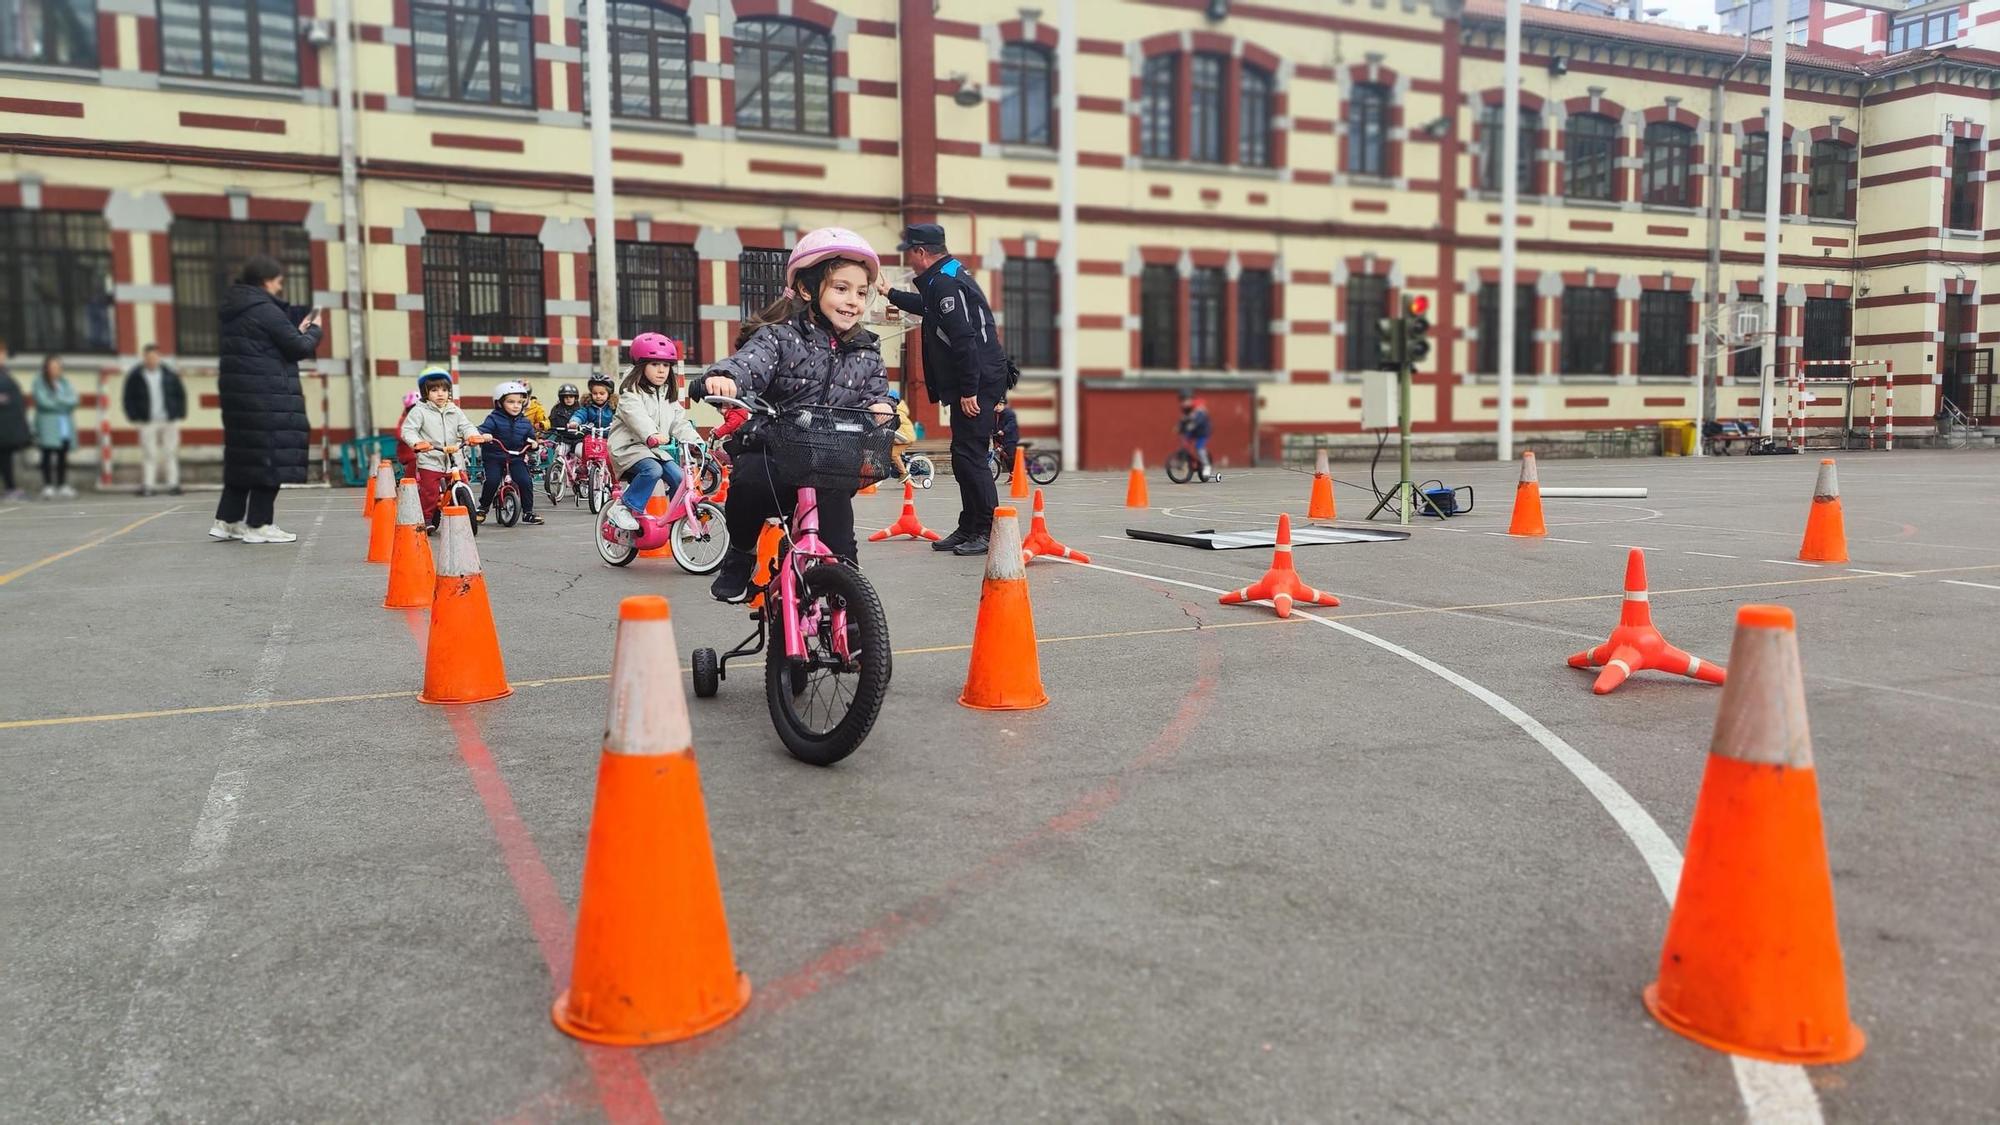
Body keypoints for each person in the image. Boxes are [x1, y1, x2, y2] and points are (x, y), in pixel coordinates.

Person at [696, 226, 895, 602]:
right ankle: (739, 554)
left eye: (861, 292)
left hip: (829, 461)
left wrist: (881, 407)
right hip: (772, 450)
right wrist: (724, 378)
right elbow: (748, 364)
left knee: (841, 547)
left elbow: (876, 393)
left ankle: (850, 613)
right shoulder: (780, 336)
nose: (853, 300)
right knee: (748, 483)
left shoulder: (867, 349)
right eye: (841, 288)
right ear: (807, 289)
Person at [880, 222, 1010, 556]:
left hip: (977, 380)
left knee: (972, 456)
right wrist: (890, 293)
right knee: (962, 455)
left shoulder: (947, 284)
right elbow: (927, 308)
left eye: (910, 253)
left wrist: (969, 390)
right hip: (976, 378)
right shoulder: (942, 278)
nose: (909, 260)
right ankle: (969, 526)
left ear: (921, 252)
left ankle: (987, 530)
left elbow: (964, 338)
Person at [212, 255, 321, 543]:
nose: (279, 287)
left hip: (239, 396)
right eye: (278, 282)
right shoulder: (264, 310)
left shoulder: (235, 308)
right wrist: (315, 328)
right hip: (266, 395)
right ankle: (259, 525)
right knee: (269, 457)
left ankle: (228, 520)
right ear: (266, 281)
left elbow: (266, 344)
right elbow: (297, 346)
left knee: (243, 457)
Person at [608, 333, 700, 531]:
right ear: (641, 366)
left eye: (666, 365)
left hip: (654, 449)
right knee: (653, 470)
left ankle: (680, 521)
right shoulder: (630, 393)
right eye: (655, 364)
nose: (661, 370)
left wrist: (696, 442)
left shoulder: (667, 393)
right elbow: (637, 417)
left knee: (680, 477)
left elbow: (678, 423)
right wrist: (651, 435)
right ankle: (622, 508)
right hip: (628, 448)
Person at [400, 366, 482, 529]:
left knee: (463, 483)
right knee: (429, 492)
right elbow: (408, 430)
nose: (440, 393)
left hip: (454, 458)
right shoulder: (419, 411)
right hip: (431, 458)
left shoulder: (454, 410)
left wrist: (472, 435)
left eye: (444, 390)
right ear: (426, 392)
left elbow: (465, 426)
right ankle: (428, 518)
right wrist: (417, 443)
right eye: (435, 390)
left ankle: (462, 512)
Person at [122, 343, 187, 496]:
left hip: (168, 419)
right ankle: (148, 486)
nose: (152, 360)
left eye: (155, 357)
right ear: (144, 358)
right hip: (147, 420)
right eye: (148, 357)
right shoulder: (136, 375)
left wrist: (180, 412)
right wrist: (133, 415)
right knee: (149, 453)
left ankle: (173, 484)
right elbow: (128, 397)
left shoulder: (170, 374)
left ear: (159, 357)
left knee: (170, 452)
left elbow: (180, 394)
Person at [476, 380, 543, 525]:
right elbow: (483, 429)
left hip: (516, 457)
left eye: (519, 402)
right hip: (494, 456)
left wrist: (534, 444)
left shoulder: (525, 422)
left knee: (525, 481)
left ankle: (528, 512)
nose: (516, 406)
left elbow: (531, 438)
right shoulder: (493, 418)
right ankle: (483, 508)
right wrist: (483, 435)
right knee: (492, 481)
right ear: (500, 403)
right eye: (511, 402)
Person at [32, 355, 79, 499]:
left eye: (58, 367)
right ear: (46, 368)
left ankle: (62, 484)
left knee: (62, 455)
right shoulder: (39, 382)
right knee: (47, 454)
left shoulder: (65, 382)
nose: (55, 370)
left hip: (64, 424)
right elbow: (43, 402)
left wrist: (57, 401)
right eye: (52, 367)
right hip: (47, 425)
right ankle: (48, 485)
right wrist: (62, 403)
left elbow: (74, 400)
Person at [0, 338, 29, 501]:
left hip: (7, 427)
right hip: (3, 426)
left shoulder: (4, 372)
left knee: (6, 457)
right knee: (4, 457)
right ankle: (10, 488)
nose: (3, 356)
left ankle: (10, 487)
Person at [1178, 393, 1218, 482]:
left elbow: (1200, 419)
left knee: (1199, 448)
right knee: (1184, 440)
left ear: (1190, 400)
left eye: (1185, 401)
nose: (1183, 403)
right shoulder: (1186, 409)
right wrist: (1179, 427)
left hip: (1203, 432)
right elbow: (1184, 419)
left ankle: (1206, 465)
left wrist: (1193, 424)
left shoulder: (1199, 407)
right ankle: (1188, 459)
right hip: (1194, 431)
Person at [887, 388, 916, 481]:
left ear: (896, 401)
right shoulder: (893, 411)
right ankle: (898, 468)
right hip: (900, 436)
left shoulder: (898, 412)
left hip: (906, 436)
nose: (889, 403)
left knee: (893, 453)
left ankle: (904, 473)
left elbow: (891, 424)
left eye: (891, 400)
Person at [991, 399, 1019, 476]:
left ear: (1004, 405)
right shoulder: (995, 414)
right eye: (997, 405)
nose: (998, 407)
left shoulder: (1009, 413)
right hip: (1001, 439)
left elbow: (1012, 423)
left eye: (1000, 405)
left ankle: (1015, 473)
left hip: (1010, 438)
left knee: (1010, 457)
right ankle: (1012, 475)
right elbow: (993, 425)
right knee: (1005, 458)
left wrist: (1004, 431)